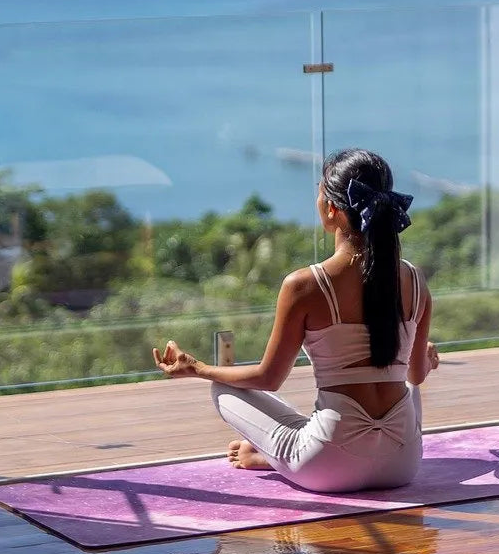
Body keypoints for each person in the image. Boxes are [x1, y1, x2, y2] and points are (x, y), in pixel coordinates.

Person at [152, 148, 438, 493]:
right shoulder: (415, 280)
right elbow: (416, 374)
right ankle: (277, 454)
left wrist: (197, 368)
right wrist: (418, 356)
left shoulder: (305, 285)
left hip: (327, 467)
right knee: (405, 381)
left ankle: (274, 457)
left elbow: (267, 378)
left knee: (223, 388)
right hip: (402, 464)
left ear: (331, 209)